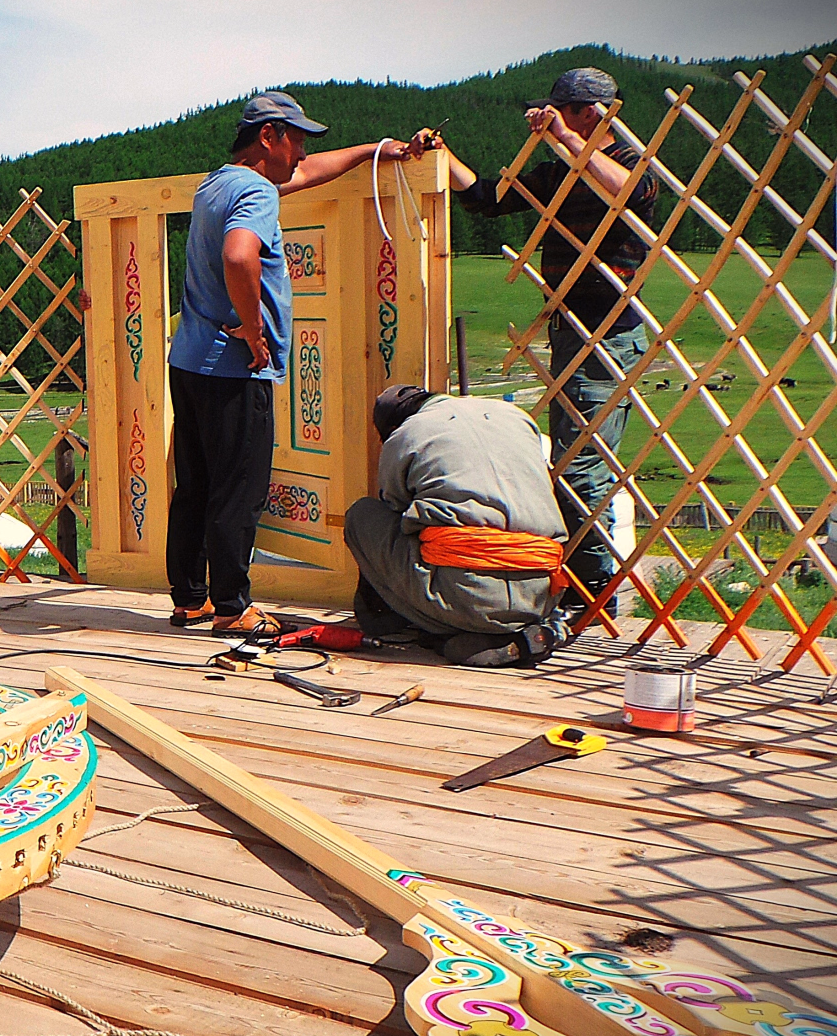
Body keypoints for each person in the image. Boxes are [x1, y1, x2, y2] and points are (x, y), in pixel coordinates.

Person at [167, 91, 416, 635]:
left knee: (196, 483)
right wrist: (253, 331)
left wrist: (376, 150)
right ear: (268, 136)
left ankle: (190, 598)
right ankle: (232, 608)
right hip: (233, 366)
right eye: (296, 137)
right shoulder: (256, 191)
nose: (302, 150)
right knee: (239, 488)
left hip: (189, 361)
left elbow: (310, 172)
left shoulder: (218, 183)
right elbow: (239, 255)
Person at [421, 67, 660, 615]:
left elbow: (626, 194)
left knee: (583, 464)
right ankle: (583, 584)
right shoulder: (558, 174)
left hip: (610, 331)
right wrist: (443, 153)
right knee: (570, 462)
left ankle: (594, 590)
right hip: (567, 328)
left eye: (567, 109)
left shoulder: (630, 162)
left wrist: (569, 139)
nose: (555, 117)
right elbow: (486, 196)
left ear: (596, 113)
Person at [344, 385, 569, 668]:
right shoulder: (515, 416)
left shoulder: (406, 435)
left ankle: (430, 624)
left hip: (466, 590)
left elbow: (395, 506)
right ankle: (522, 630)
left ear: (391, 425)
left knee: (363, 515)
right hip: (541, 590)